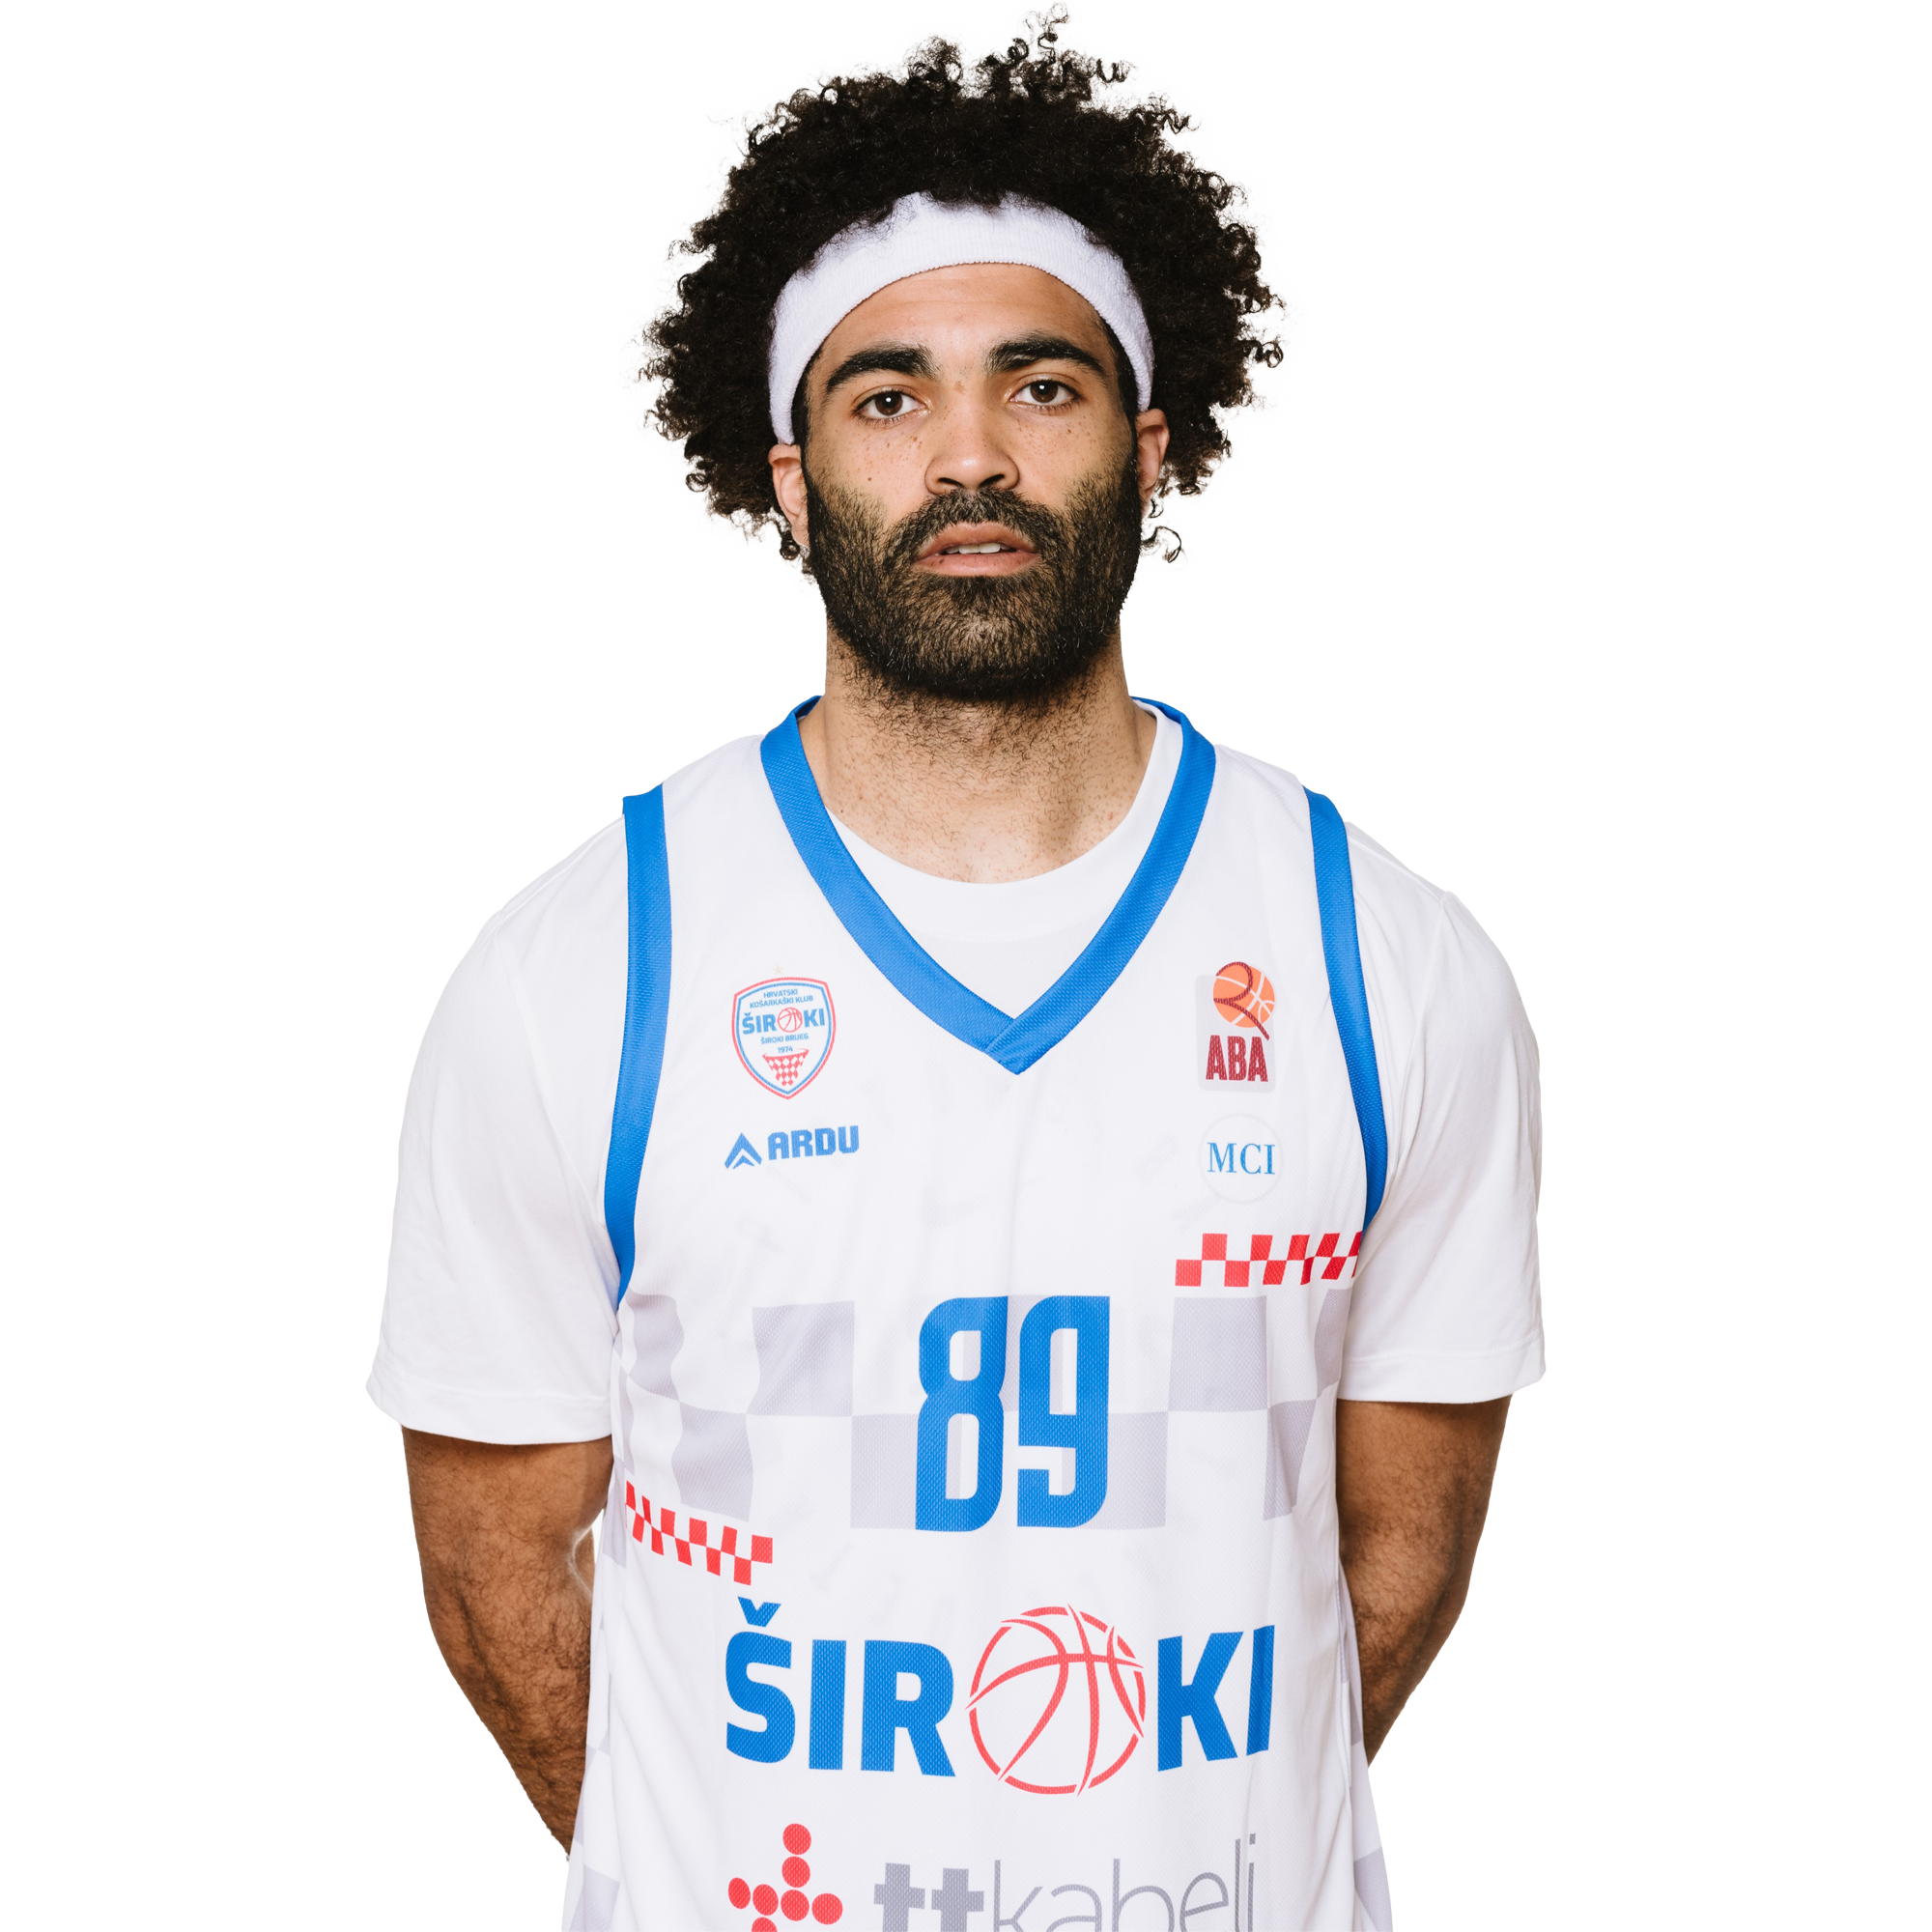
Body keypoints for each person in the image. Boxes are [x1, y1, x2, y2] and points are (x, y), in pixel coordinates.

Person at [369, 13, 1543, 1930]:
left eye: (1043, 386)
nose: (973, 455)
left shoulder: (1382, 964)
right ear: (786, 476)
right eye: (888, 396)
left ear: (1149, 450)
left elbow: (1395, 1556)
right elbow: (495, 1574)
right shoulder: (577, 976)